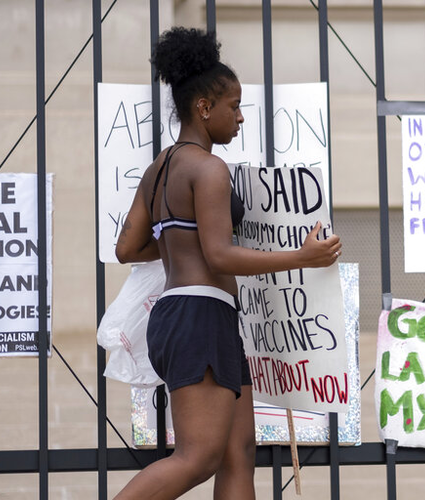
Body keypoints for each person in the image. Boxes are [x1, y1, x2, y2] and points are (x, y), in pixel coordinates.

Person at [113, 27, 341, 499]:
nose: (240, 117)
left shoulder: (159, 168)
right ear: (203, 108)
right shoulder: (209, 168)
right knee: (198, 458)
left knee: (239, 451)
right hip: (200, 315)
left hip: (187, 315)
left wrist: (182, 239)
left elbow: (128, 249)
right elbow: (219, 255)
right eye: (233, 106)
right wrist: (303, 256)